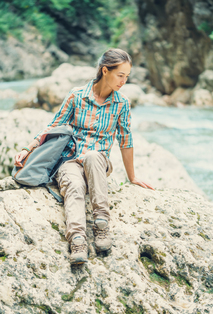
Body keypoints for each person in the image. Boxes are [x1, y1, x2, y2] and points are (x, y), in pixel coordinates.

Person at [13, 48, 154, 265]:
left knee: (92, 156)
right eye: (120, 75)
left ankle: (101, 223)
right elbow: (54, 125)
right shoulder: (77, 96)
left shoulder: (122, 103)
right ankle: (77, 240)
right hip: (70, 160)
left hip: (98, 163)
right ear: (105, 70)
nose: (124, 81)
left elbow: (125, 140)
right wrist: (27, 148)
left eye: (127, 76)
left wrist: (132, 177)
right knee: (73, 184)